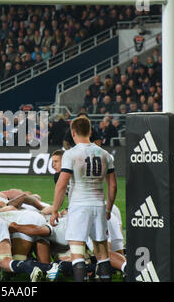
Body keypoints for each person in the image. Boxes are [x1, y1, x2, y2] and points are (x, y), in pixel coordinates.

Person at [51, 116, 117, 282]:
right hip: (99, 205)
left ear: (73, 133)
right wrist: (109, 208)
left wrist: (54, 210)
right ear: (90, 132)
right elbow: (113, 186)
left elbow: (61, 184)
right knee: (102, 252)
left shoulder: (71, 154)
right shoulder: (105, 154)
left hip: (79, 206)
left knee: (77, 250)